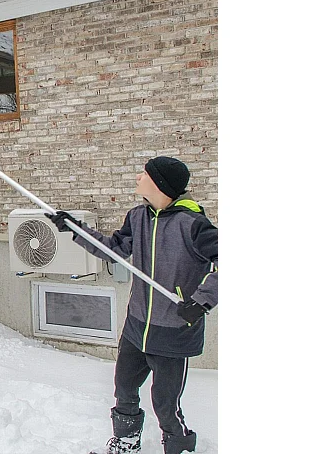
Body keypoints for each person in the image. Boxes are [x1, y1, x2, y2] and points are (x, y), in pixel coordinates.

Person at [48, 156, 217, 454]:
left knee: (165, 404)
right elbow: (113, 250)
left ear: (160, 184)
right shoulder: (138, 217)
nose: (138, 178)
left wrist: (201, 302)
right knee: (124, 389)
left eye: (145, 174)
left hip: (173, 331)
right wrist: (76, 229)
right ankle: (125, 443)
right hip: (137, 326)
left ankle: (180, 447)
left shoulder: (194, 226)